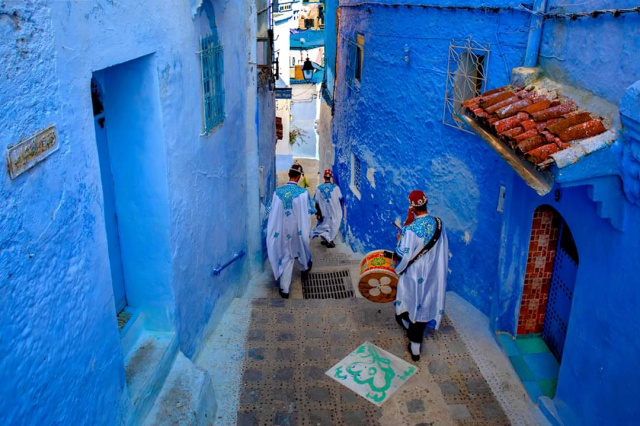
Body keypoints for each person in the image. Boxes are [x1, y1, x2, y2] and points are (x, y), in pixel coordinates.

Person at [394, 190, 449, 361]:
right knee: (424, 304)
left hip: (414, 275)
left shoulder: (409, 229)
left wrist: (400, 236)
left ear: (412, 208)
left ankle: (414, 346)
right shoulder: (438, 223)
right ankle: (415, 340)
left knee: (409, 301)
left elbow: (402, 253)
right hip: (432, 274)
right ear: (426, 203)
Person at [266, 164, 316, 298]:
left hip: (282, 232)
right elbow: (310, 210)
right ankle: (304, 268)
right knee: (301, 250)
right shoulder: (303, 193)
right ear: (299, 176)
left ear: (289, 174)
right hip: (297, 231)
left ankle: (285, 289)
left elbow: (270, 210)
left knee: (286, 257)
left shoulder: (277, 192)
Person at [312, 169, 343, 248]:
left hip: (323, 212)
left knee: (324, 225)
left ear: (324, 177)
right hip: (333, 211)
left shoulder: (319, 188)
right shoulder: (336, 188)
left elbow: (317, 202)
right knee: (332, 225)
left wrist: (318, 213)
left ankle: (327, 240)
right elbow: (340, 199)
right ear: (331, 177)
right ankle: (329, 240)